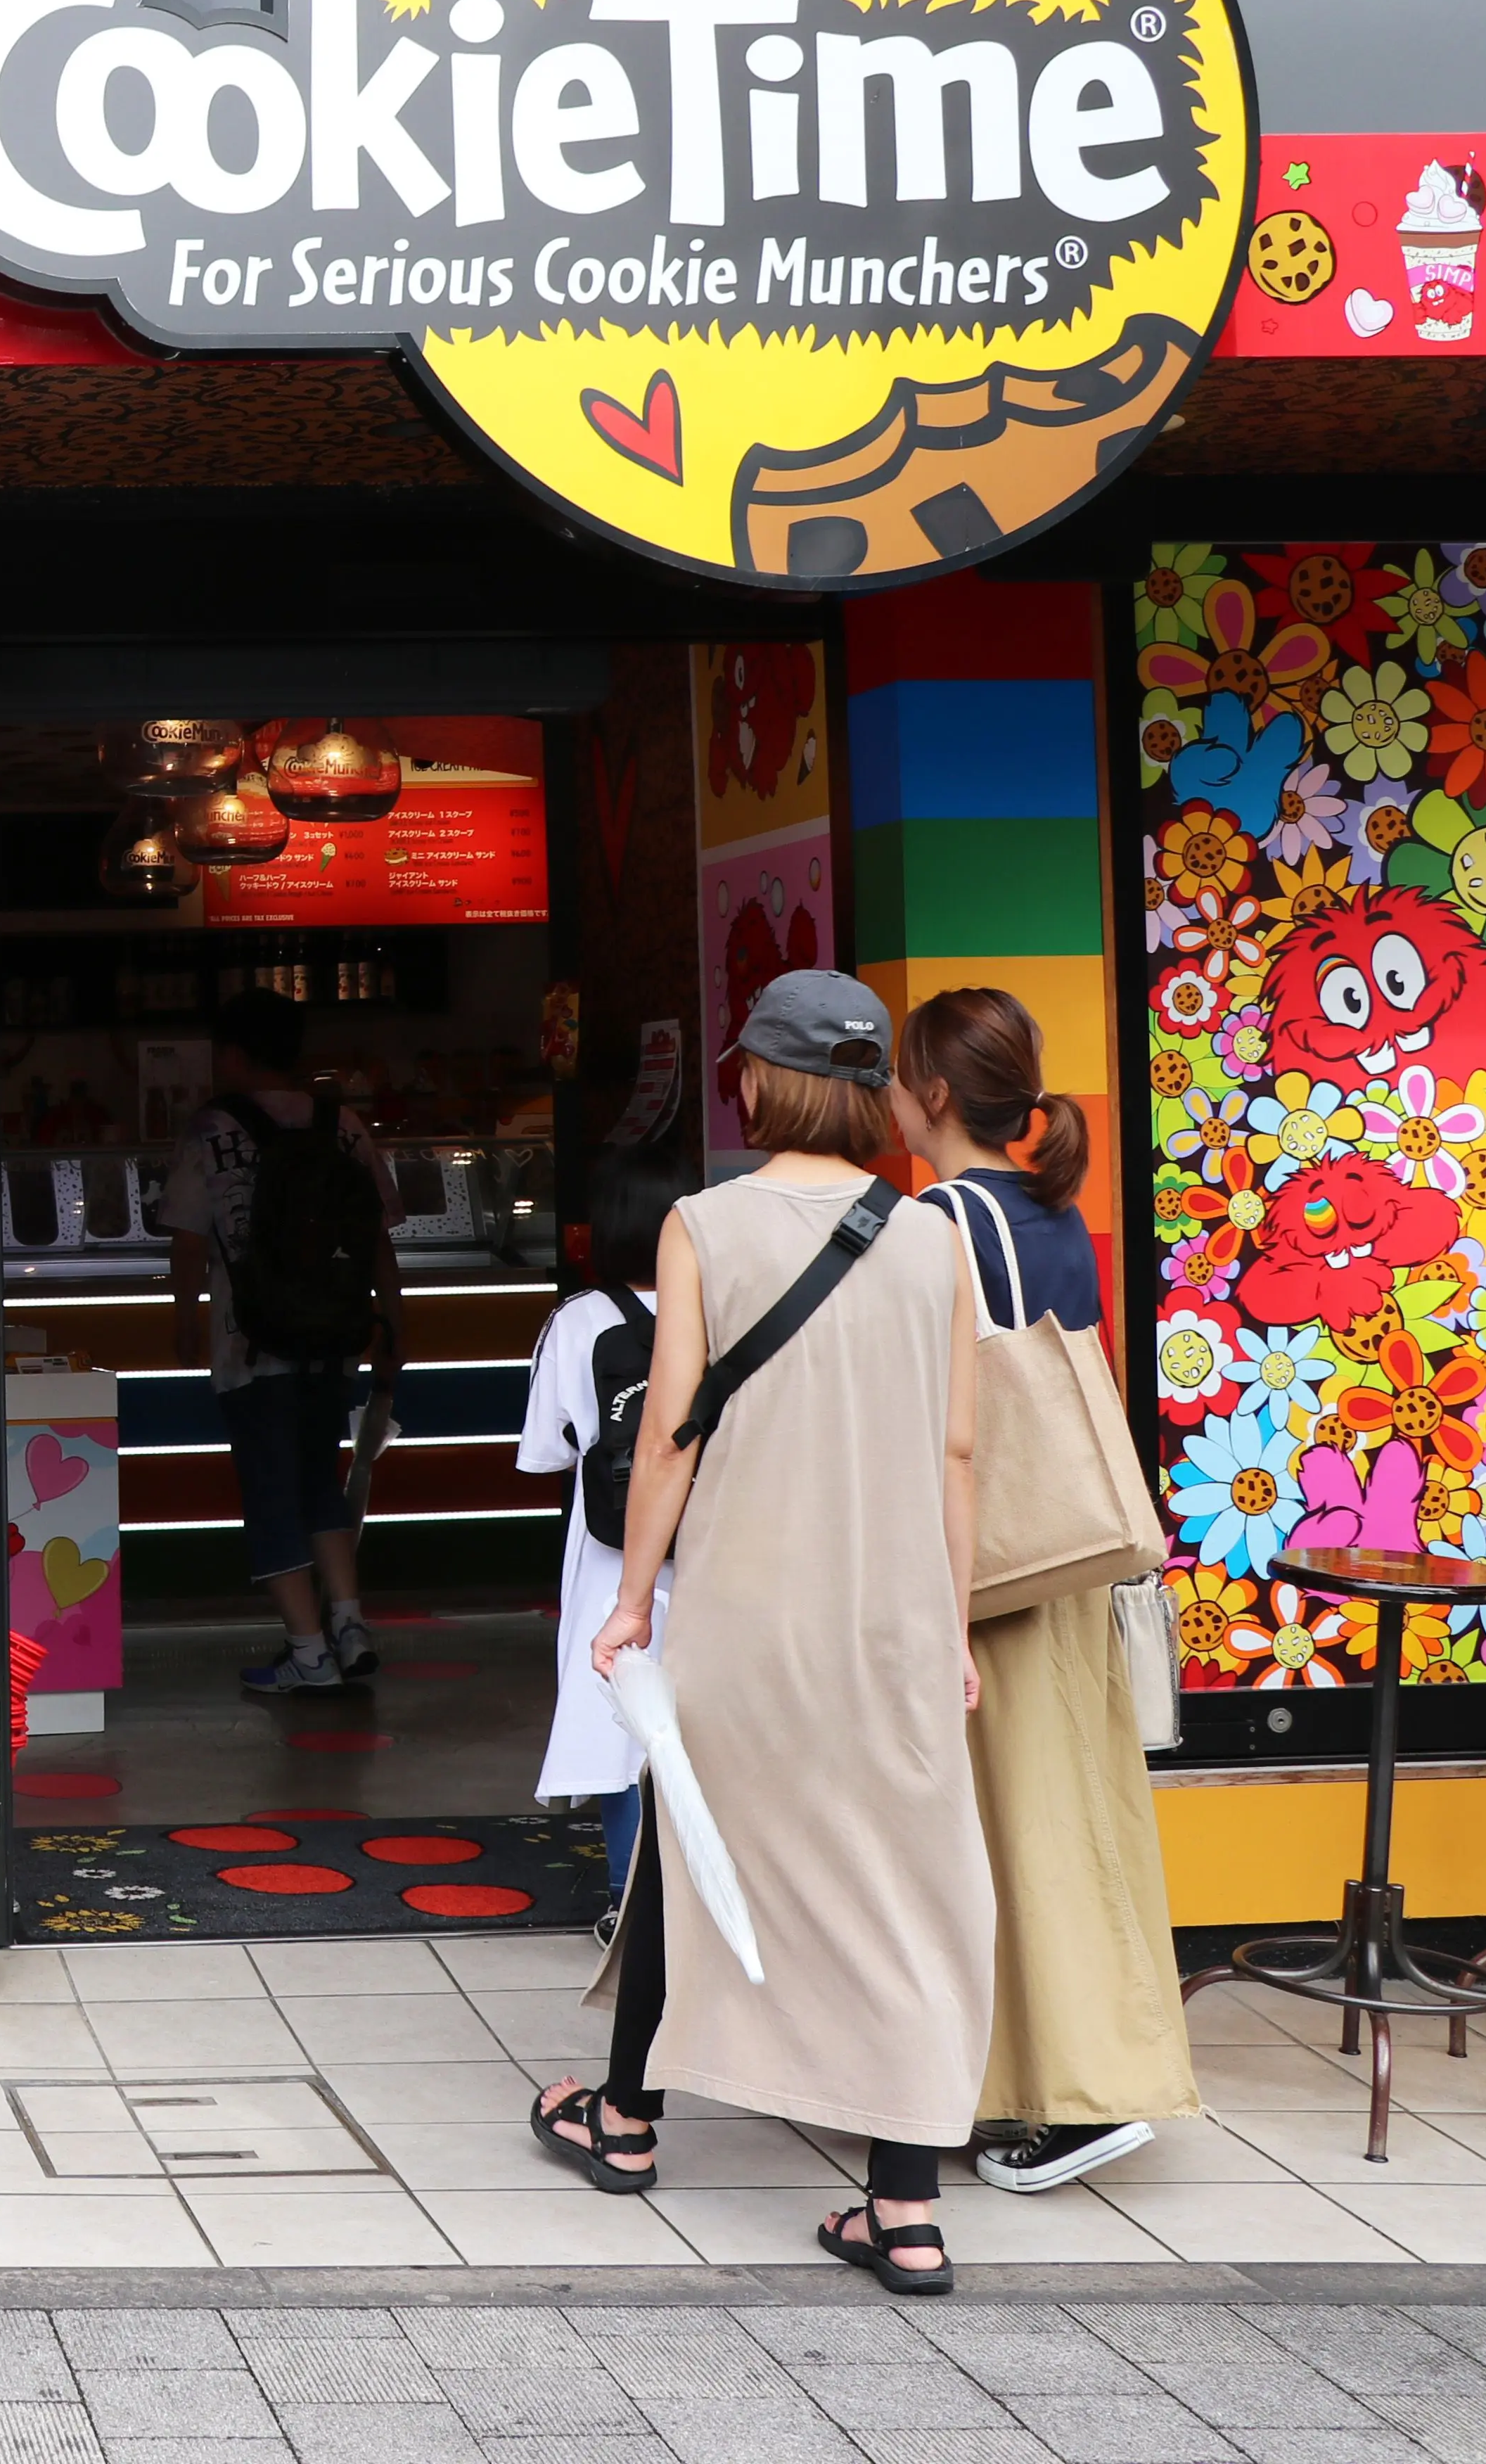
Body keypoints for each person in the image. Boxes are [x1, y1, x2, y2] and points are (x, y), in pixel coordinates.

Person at [532, 969, 992, 2295]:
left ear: (757, 1077)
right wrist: (951, 1623)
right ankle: (903, 2210)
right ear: (869, 1091)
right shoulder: (930, 1236)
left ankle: (625, 2120)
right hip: (896, 1618)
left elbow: (672, 1430)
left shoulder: (702, 1226)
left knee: (694, 1840)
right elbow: (957, 1454)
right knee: (907, 1891)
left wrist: (631, 1601)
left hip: (747, 1615)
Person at [896, 984, 1200, 2195]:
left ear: (927, 1092)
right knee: (1075, 1819)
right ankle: (1051, 2076)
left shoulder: (936, 1223)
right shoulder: (1051, 1210)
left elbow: (939, 1423)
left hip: (990, 1572)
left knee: (1014, 1832)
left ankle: (1071, 2100)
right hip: (1069, 1566)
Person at [165, 988, 399, 1697]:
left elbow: (186, 1240)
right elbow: (377, 1237)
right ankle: (349, 1623)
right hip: (333, 1338)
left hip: (252, 1345)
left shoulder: (209, 1129)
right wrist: (393, 1323)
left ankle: (306, 1650)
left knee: (270, 1493)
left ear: (232, 1054)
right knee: (318, 1481)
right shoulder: (344, 1124)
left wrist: (183, 1320)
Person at [515, 1146, 696, 1922]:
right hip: (718, 1535)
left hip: (610, 1549)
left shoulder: (580, 1319)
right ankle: (699, 1897)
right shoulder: (729, 1306)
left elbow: (546, 1450)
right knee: (705, 1721)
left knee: (618, 1720)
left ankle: (627, 1895)